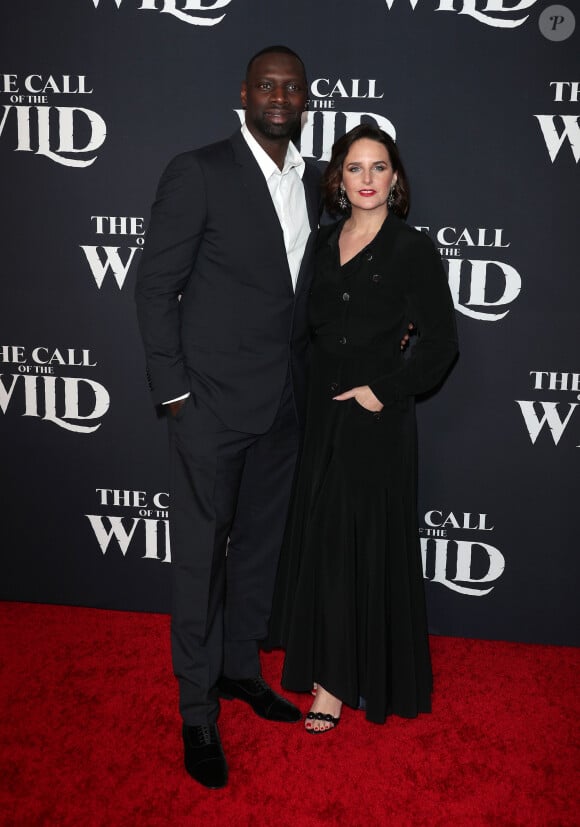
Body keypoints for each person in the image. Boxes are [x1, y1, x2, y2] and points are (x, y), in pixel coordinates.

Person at [135, 46, 322, 789]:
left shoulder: (312, 181)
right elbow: (154, 289)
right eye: (268, 85)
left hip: (282, 402)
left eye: (293, 87)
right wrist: (174, 392)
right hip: (209, 405)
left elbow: (299, 293)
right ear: (245, 94)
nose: (281, 96)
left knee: (258, 552)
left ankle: (240, 671)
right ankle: (195, 709)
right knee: (200, 560)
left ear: (305, 100)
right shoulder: (200, 170)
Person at [268, 124, 459, 732]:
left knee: (353, 543)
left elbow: (441, 347)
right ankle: (327, 662)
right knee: (322, 539)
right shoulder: (322, 244)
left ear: (395, 179)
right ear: (338, 179)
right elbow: (302, 328)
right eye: (356, 168)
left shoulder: (412, 250)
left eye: (380, 167)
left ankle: (333, 684)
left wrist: (384, 390)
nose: (368, 179)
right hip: (319, 412)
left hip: (375, 418)